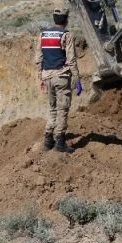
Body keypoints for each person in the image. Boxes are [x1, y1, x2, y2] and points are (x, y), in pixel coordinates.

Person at [36, 8, 82, 153]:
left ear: (54, 18)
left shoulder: (42, 35)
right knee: (62, 109)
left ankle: (48, 139)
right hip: (61, 77)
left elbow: (38, 59)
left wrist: (41, 77)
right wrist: (77, 79)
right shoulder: (66, 35)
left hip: (47, 76)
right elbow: (71, 59)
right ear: (66, 19)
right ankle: (60, 143)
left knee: (53, 108)